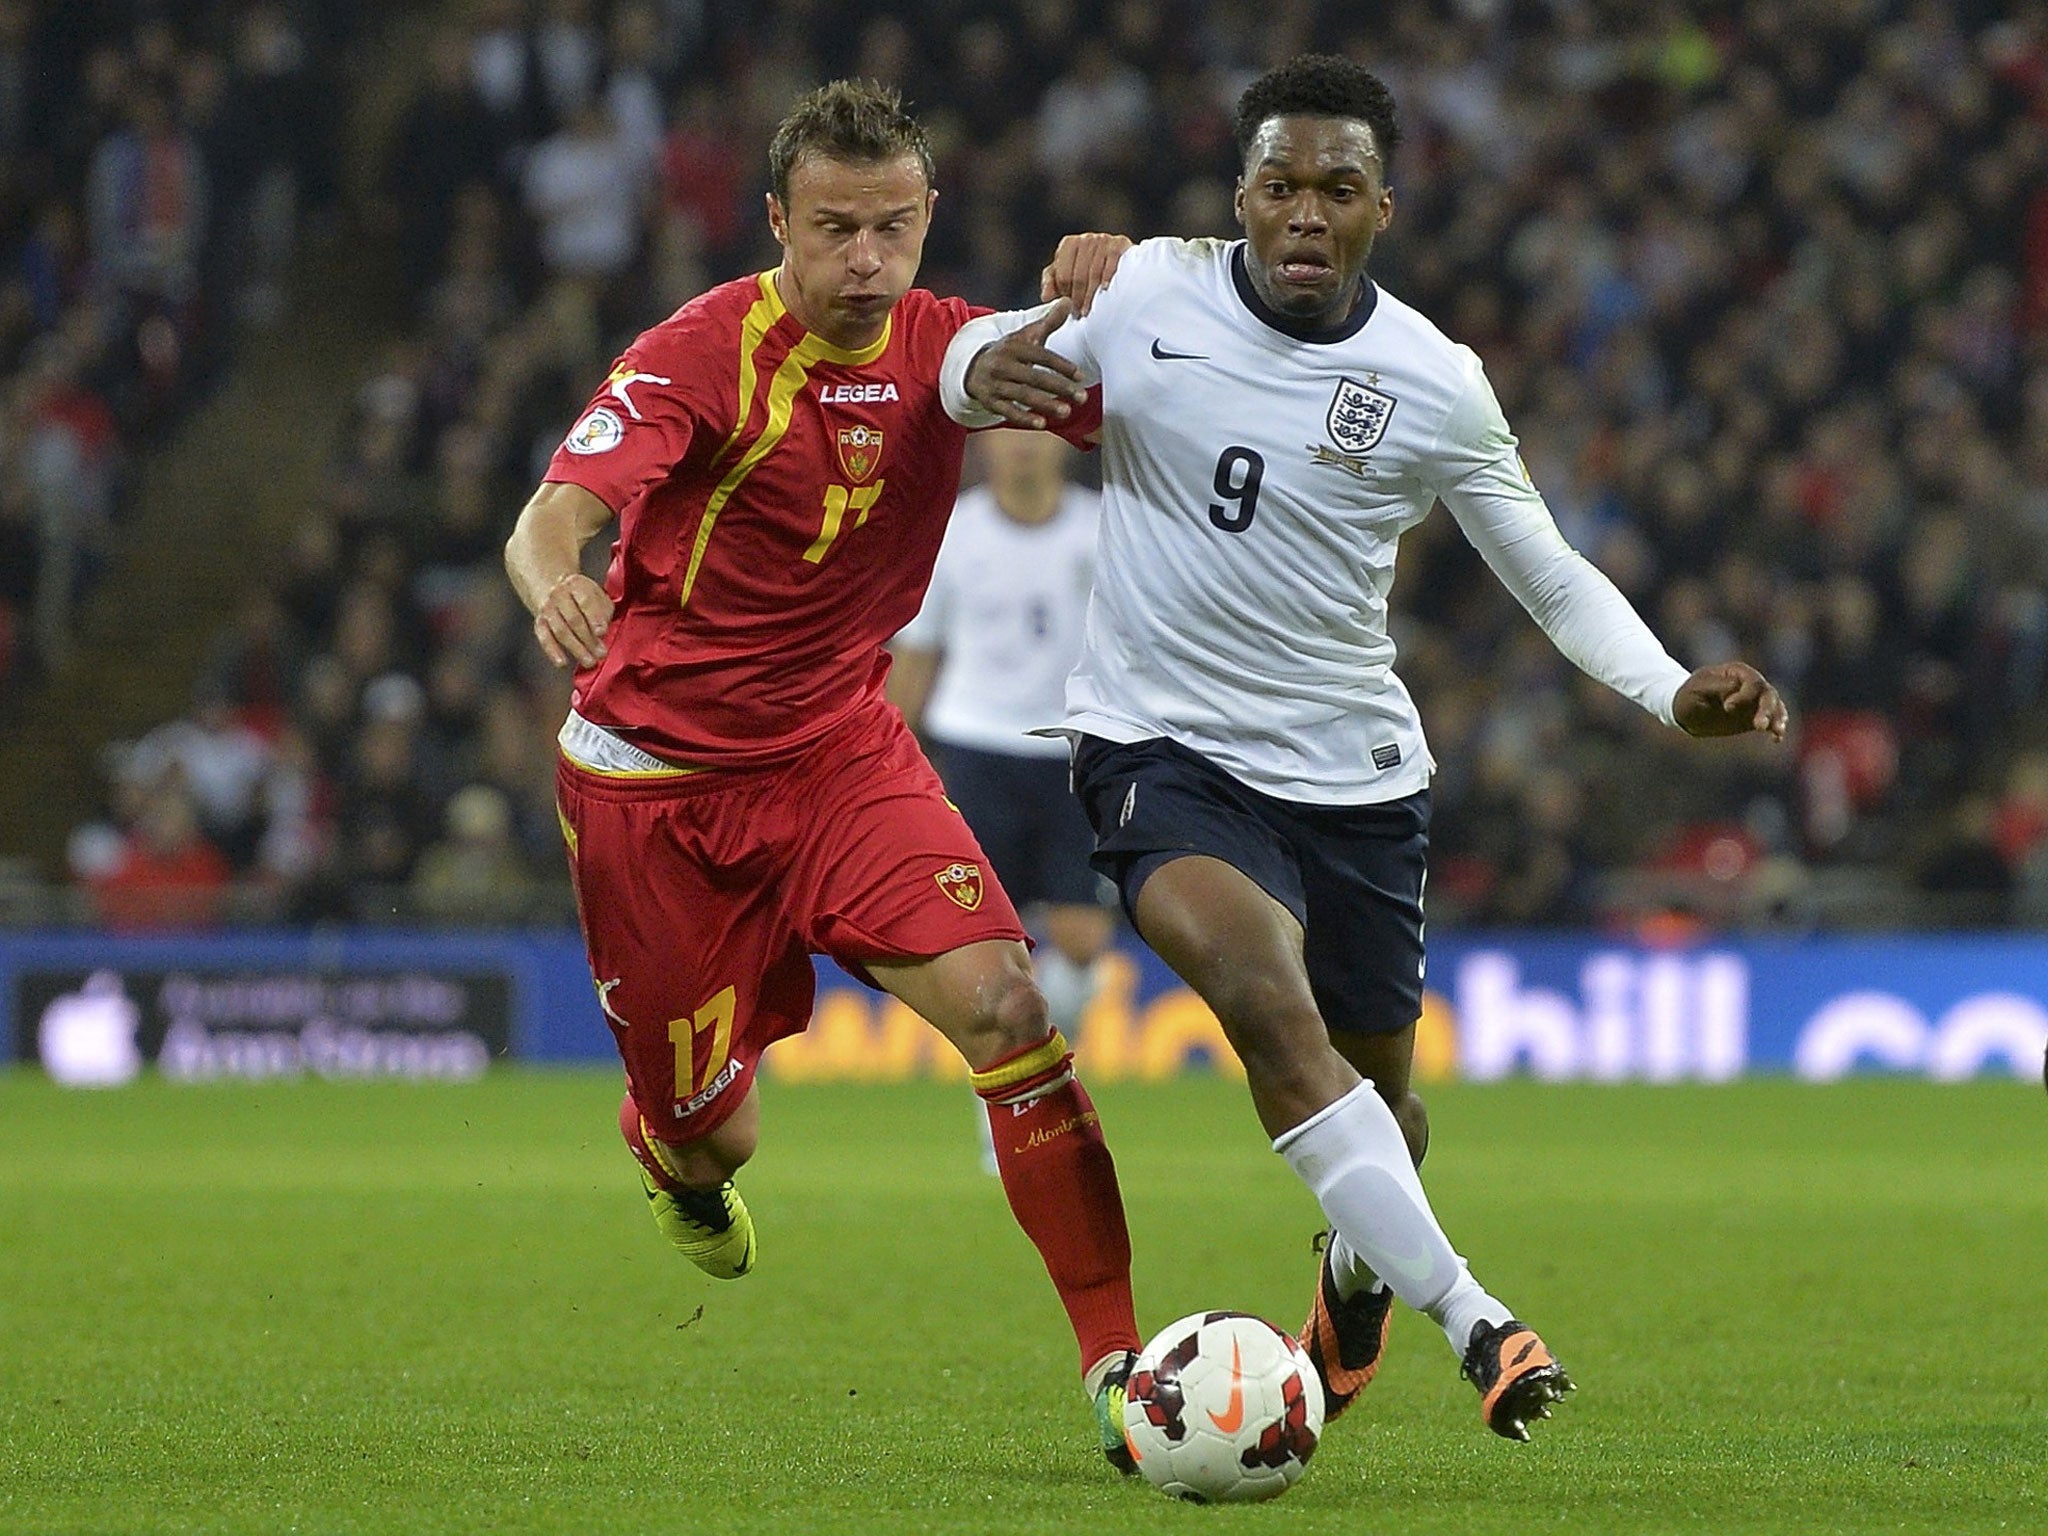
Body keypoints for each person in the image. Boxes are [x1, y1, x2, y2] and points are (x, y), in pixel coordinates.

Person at [942, 54, 1789, 1443]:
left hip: (1355, 781)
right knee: (1263, 1008)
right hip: (1159, 748)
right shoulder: (1148, 289)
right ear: (1241, 198)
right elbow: (969, 374)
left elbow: (1553, 574)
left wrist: (1671, 689)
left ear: (1382, 208)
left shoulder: (1434, 381)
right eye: (1278, 186)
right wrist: (1016, 327)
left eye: (1336, 189)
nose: (1303, 215)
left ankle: (1356, 1277)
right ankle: (1483, 1323)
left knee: (1384, 1114)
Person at [503, 80, 1142, 1470]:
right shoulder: (697, 352)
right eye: (837, 229)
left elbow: (1131, 380)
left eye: (894, 229)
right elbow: (554, 515)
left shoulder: (950, 347)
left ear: (928, 222)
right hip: (653, 789)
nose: (867, 261)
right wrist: (557, 582)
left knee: (1012, 1003)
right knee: (716, 1143)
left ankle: (1119, 1367)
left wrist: (1130, 282)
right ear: (779, 221)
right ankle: (669, 1141)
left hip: (841, 755)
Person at [887, 429, 1116, 1171]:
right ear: (984, 445)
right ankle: (1007, 1108)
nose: (1023, 449)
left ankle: (1040, 1084)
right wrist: (891, 760)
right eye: (1008, 434)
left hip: (1074, 757)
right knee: (993, 949)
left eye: (1039, 434)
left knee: (1082, 941)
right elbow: (917, 652)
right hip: (977, 751)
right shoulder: (953, 534)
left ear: (1065, 445)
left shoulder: (1102, 528)